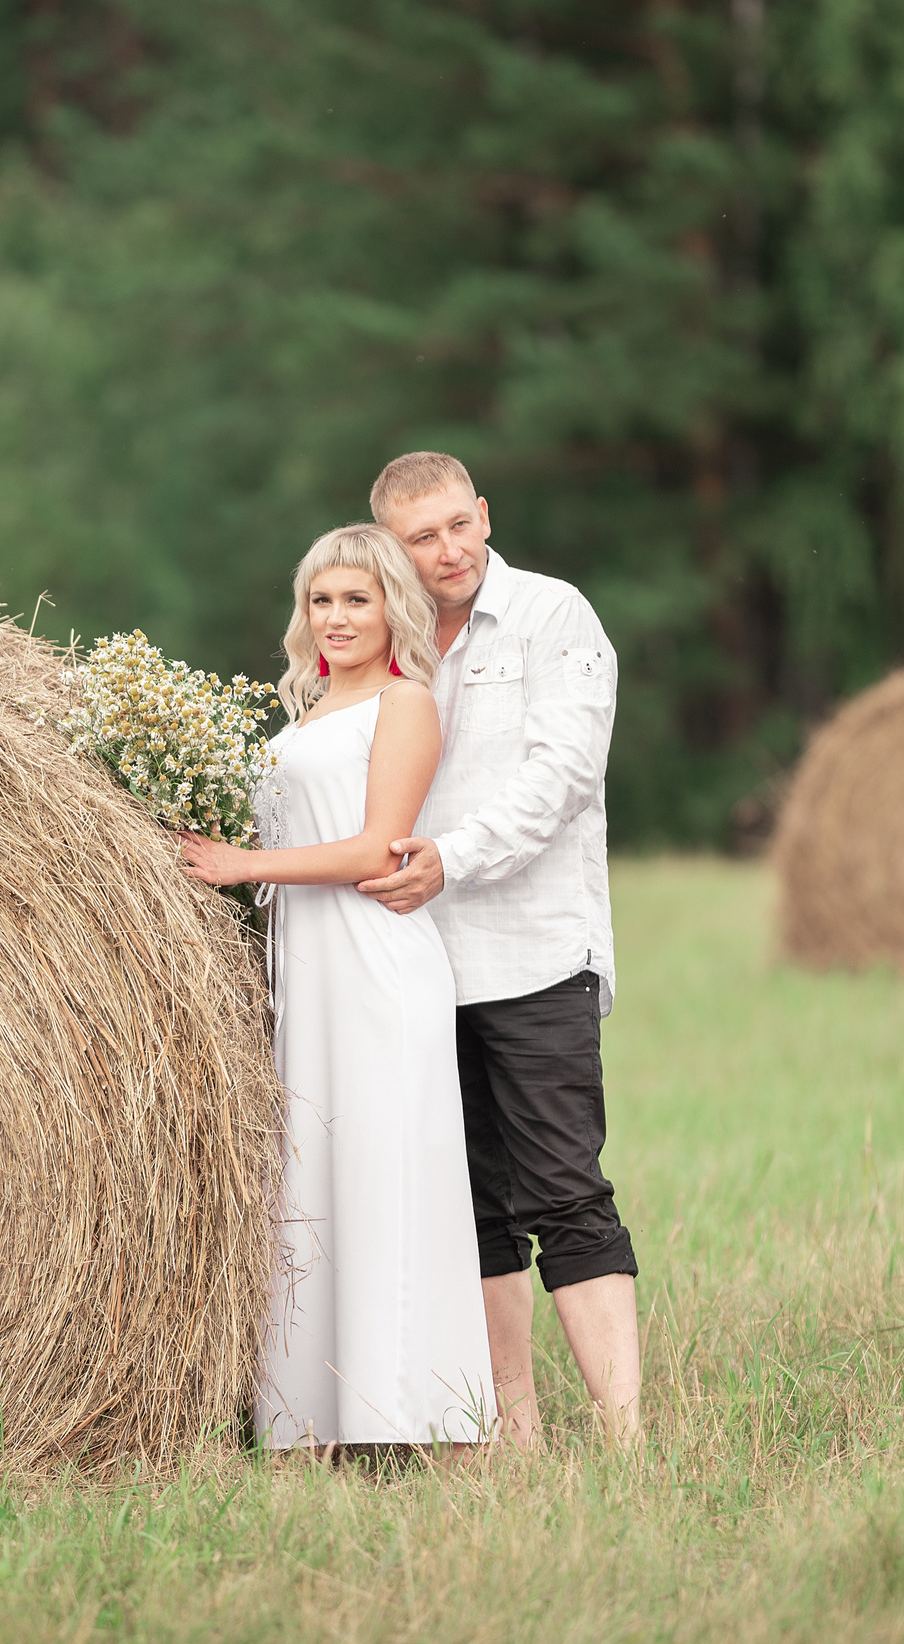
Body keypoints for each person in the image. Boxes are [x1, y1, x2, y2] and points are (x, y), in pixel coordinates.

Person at [180, 523, 495, 1453]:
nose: (337, 616)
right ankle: (311, 1414)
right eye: (322, 600)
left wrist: (243, 864)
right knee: (316, 1182)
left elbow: (375, 848)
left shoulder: (405, 706)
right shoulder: (308, 712)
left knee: (384, 1171)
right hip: (308, 973)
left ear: (391, 606)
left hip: (375, 965)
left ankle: (406, 1414)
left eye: (356, 598)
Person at [355, 451, 642, 1448]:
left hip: (531, 952)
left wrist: (452, 859)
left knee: (566, 1189)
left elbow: (562, 777)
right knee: (470, 1207)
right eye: (420, 538)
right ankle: (510, 1435)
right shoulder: (380, 642)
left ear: (482, 513)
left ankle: (624, 1436)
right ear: (392, 545)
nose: (447, 552)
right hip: (414, 963)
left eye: (457, 526)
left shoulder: (553, 616)